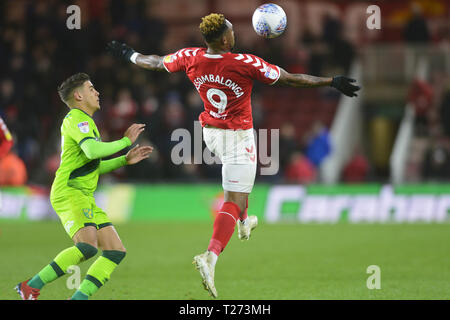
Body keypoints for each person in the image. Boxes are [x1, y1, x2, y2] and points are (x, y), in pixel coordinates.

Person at [107, 13, 360, 298]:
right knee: (234, 200)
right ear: (226, 38)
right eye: (231, 30)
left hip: (211, 132)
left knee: (241, 183)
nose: (234, 33)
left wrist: (129, 54)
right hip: (238, 137)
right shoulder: (245, 63)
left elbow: (153, 62)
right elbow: (291, 79)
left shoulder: (190, 56)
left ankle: (244, 222)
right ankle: (211, 256)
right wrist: (330, 81)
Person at [15, 73, 153, 300]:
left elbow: (91, 166)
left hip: (84, 194)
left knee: (115, 251)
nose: (97, 92)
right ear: (78, 95)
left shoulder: (86, 123)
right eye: (91, 88)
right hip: (69, 192)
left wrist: (123, 160)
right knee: (87, 246)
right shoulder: (76, 119)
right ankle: (30, 286)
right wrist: (125, 141)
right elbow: (91, 151)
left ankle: (78, 298)